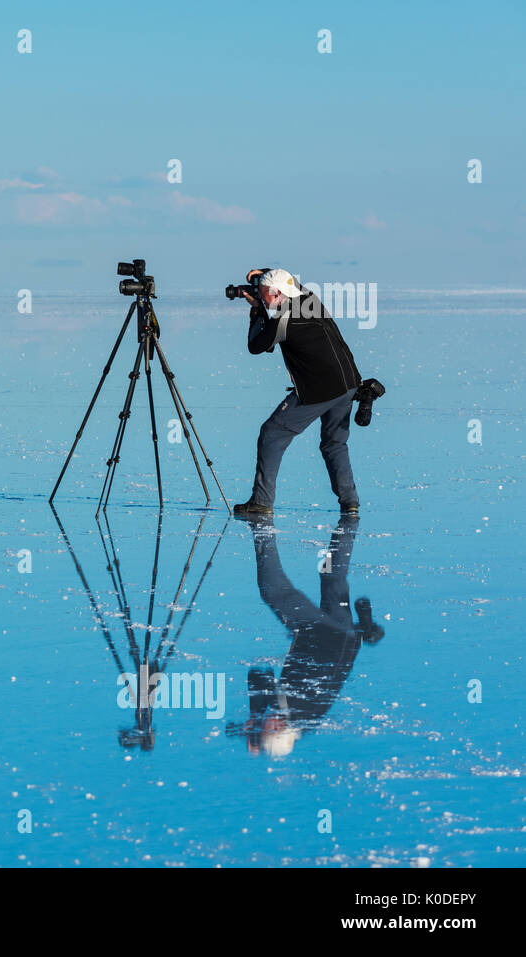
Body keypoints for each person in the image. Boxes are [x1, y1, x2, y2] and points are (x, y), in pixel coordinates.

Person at [230, 514, 384, 757]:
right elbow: (259, 676)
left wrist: (257, 719)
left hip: (345, 637)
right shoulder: (296, 708)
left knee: (332, 576)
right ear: (279, 727)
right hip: (323, 633)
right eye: (265, 728)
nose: (262, 725)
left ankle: (348, 520)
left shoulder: (301, 719)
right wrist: (255, 716)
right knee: (274, 591)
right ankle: (262, 526)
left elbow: (260, 677)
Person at [234, 267, 362, 517]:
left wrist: (256, 311)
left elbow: (255, 345)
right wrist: (264, 273)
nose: (260, 297)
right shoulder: (308, 298)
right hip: (348, 382)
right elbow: (291, 280)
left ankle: (261, 502)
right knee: (335, 443)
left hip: (319, 388)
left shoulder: (283, 319)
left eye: (263, 294)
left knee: (272, 434)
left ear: (276, 293)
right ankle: (350, 502)